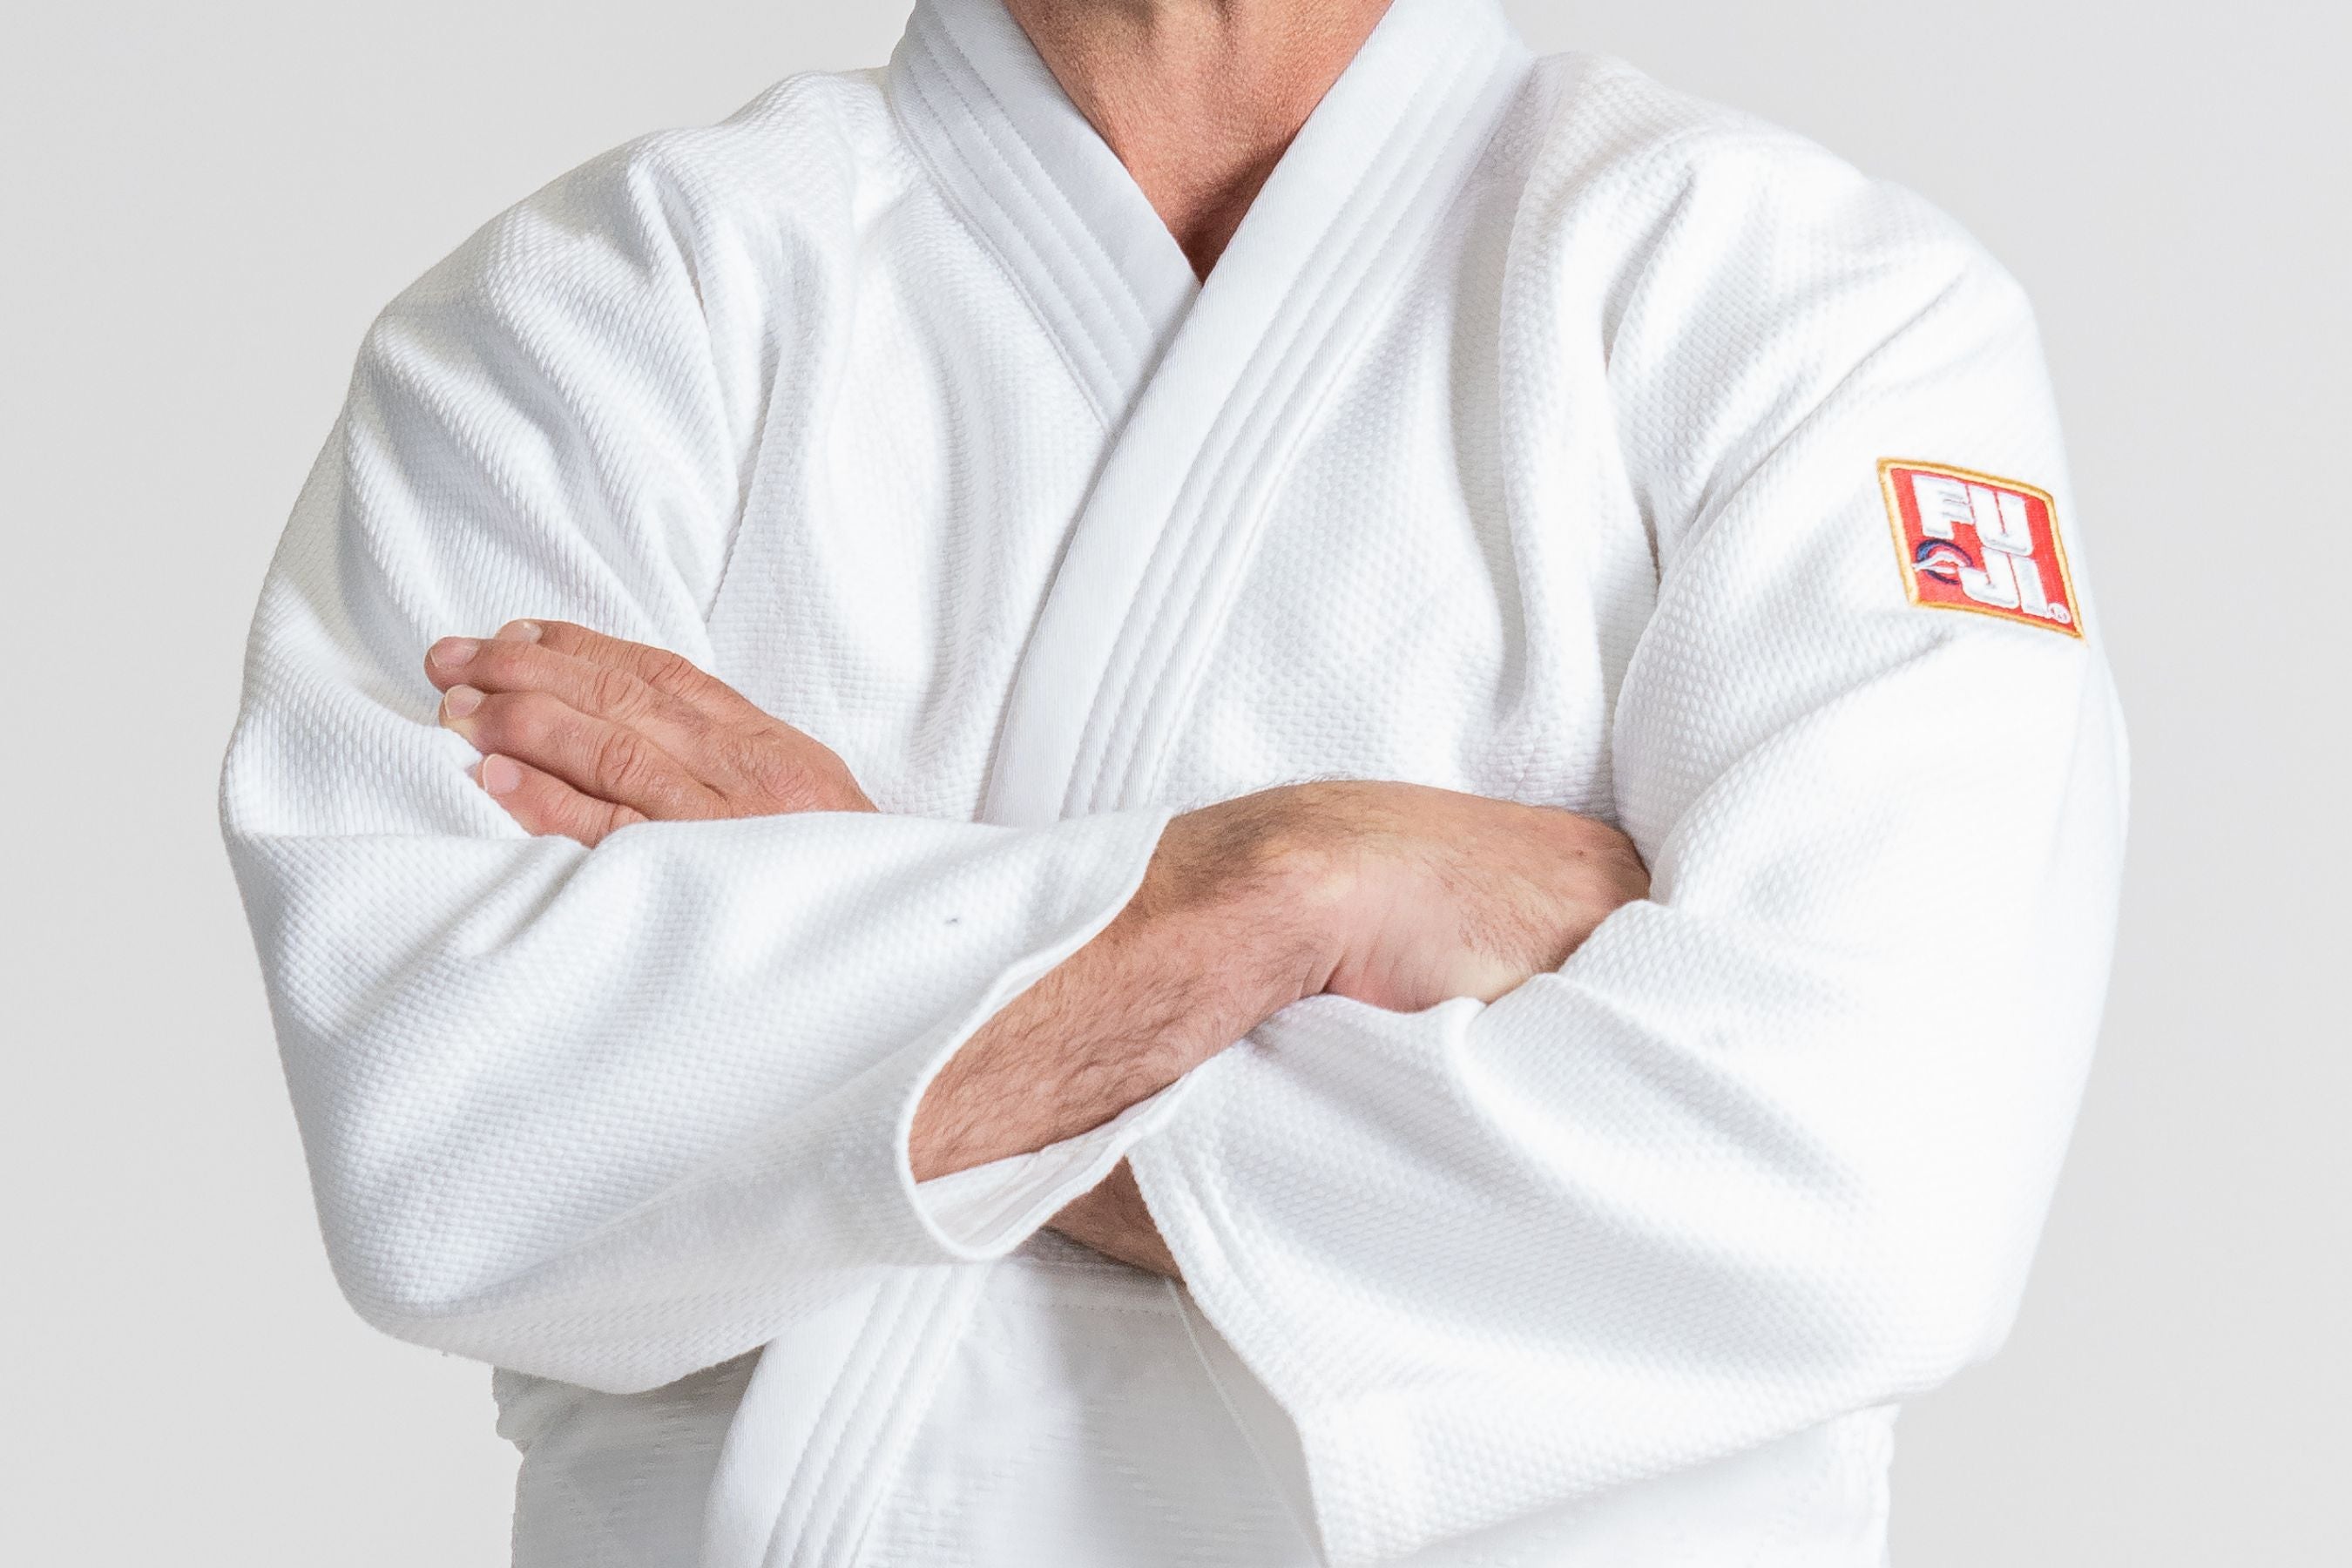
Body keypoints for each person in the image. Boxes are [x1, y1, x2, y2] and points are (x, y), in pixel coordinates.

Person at [218, 0, 2128, 1562]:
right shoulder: (590, 324)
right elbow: (459, 1144)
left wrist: (831, 958)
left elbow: (1858, 1193)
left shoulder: (1812, 315)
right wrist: (1280, 883)